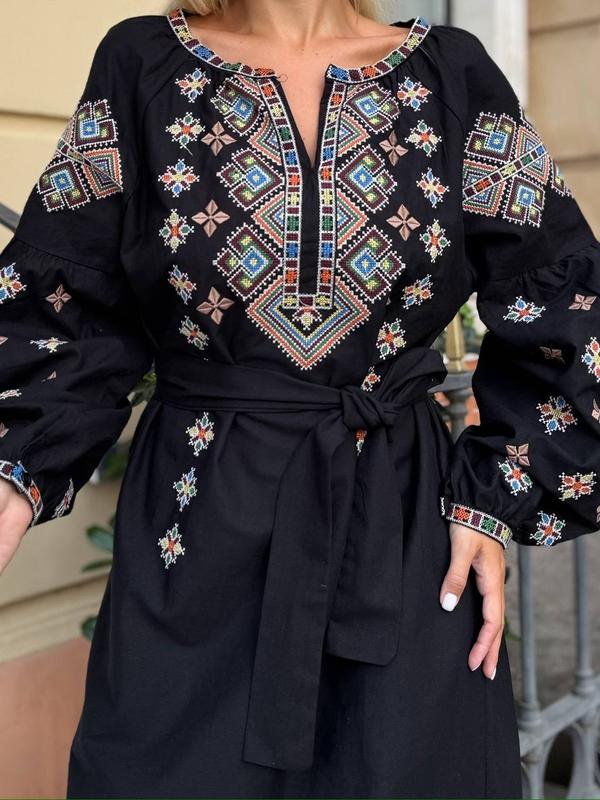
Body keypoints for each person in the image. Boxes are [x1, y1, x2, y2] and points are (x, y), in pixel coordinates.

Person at [0, 1, 598, 797]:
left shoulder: (453, 75)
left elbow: (568, 303)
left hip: (402, 535)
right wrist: (16, 468)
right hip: (194, 539)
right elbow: (66, 301)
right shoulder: (143, 66)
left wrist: (495, 494)